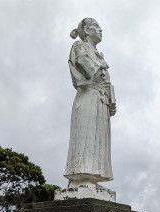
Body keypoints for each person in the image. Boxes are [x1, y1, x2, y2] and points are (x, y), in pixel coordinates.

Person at [64, 18, 116, 189]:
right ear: (86, 30)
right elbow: (89, 70)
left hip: (100, 99)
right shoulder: (79, 46)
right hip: (87, 96)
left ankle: (93, 176)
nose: (100, 30)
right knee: (86, 136)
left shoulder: (99, 54)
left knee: (98, 137)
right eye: (96, 27)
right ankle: (80, 176)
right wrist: (102, 64)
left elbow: (106, 81)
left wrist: (111, 98)